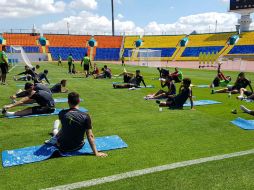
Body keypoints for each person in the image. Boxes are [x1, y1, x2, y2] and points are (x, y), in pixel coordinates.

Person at [44, 92, 108, 157]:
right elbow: (90, 135)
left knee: (59, 131)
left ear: (68, 101)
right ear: (79, 101)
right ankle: (55, 134)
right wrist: (96, 153)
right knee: (61, 131)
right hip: (77, 146)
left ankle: (55, 132)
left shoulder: (62, 113)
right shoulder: (86, 116)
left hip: (62, 146)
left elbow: (64, 128)